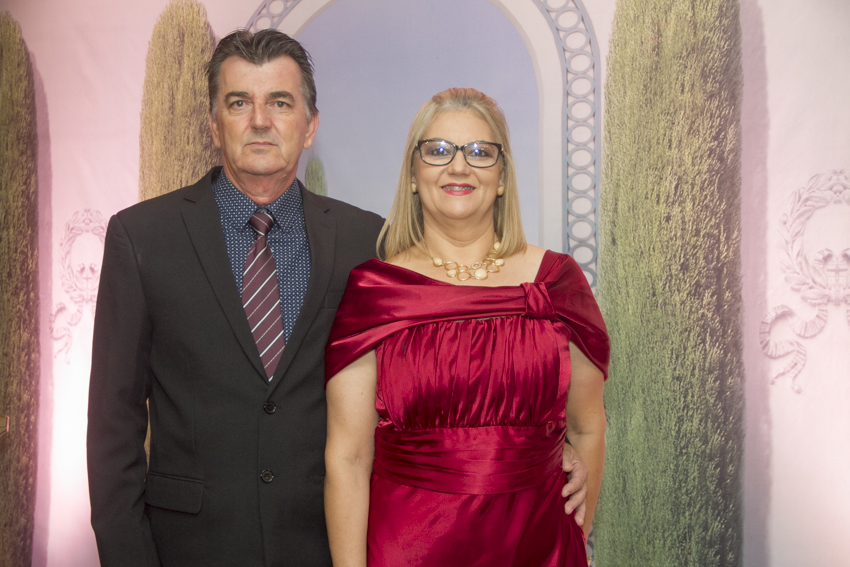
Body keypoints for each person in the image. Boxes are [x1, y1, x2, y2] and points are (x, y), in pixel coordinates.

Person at [85, 30, 385, 567]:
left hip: (323, 548)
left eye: (280, 102)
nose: (260, 120)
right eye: (240, 102)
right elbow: (114, 425)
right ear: (213, 124)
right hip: (187, 550)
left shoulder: (366, 241)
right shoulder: (142, 236)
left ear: (310, 125)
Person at [324, 88, 610, 566]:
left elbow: (587, 428)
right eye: (438, 150)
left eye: (480, 152)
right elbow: (348, 459)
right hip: (406, 553)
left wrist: (571, 541)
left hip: (540, 550)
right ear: (413, 175)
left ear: (502, 178)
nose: (459, 166)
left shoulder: (556, 284)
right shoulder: (375, 293)